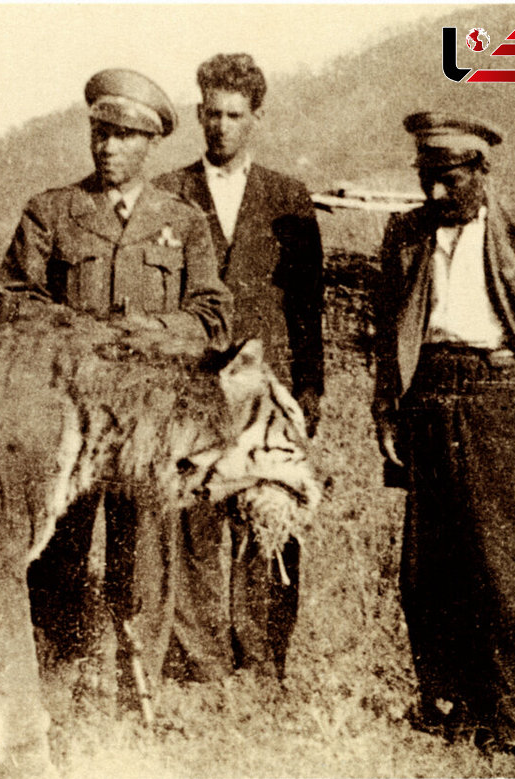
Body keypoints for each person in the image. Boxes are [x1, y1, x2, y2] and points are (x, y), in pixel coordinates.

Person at [372, 111, 515, 775]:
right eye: (426, 181)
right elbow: (388, 332)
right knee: (431, 568)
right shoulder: (407, 232)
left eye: (448, 181)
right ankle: (455, 706)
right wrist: (387, 413)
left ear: (482, 171)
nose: (436, 196)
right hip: (429, 400)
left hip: (506, 402)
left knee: (512, 569)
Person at [0, 68, 232, 667]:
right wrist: (82, 333)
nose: (108, 146)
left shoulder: (182, 222)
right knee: (60, 550)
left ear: (152, 144)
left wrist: (150, 331)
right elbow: (15, 300)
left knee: (144, 557)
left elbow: (212, 316)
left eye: (125, 136)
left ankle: (139, 687)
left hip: (147, 421)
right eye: (100, 132)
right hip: (67, 415)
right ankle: (54, 671)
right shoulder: (51, 211)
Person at [152, 53, 324, 682]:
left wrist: (311, 389)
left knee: (267, 516)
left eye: (234, 115)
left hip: (267, 390)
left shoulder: (287, 197)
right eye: (211, 114)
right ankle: (198, 662)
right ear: (199, 113)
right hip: (193, 386)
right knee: (193, 519)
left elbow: (309, 305)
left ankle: (262, 660)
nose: (221, 126)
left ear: (256, 117)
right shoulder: (167, 193)